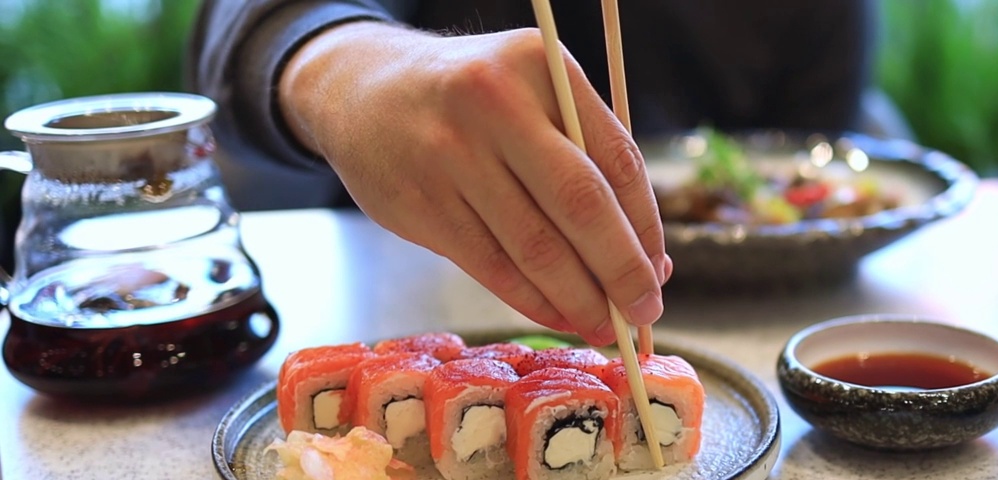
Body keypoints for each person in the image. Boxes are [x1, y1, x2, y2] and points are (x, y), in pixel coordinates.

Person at [187, 1, 874, 345]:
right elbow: (256, 25)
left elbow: (812, 154)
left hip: (770, 327)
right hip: (410, 310)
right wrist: (344, 72)